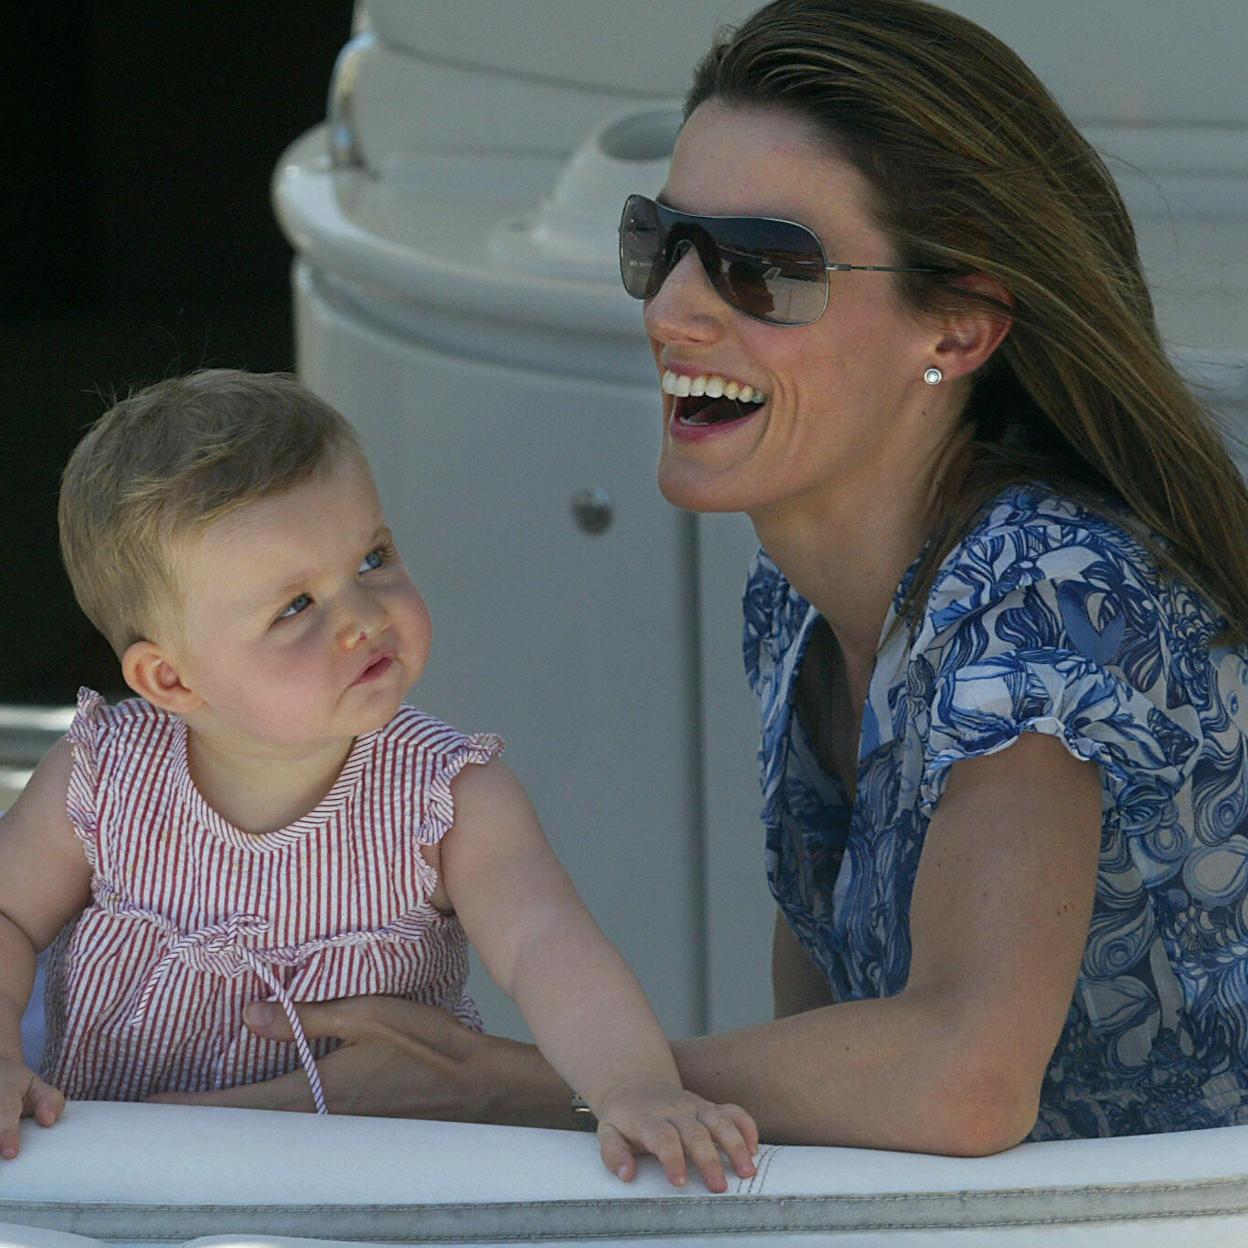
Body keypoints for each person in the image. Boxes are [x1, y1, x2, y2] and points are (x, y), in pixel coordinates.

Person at [145, 0, 1248, 1153]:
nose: (676, 308)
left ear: (959, 330)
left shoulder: (1049, 592)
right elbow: (835, 1061)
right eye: (659, 243)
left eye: (763, 269)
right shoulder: (798, 597)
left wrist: (502, 1083)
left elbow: (961, 1073)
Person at [0, 369, 759, 1190]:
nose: (363, 613)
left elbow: (549, 947)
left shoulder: (449, 796)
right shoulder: (104, 779)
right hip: (114, 1178)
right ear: (173, 681)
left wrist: (631, 1084)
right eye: (295, 606)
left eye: (373, 557)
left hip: (371, 1186)